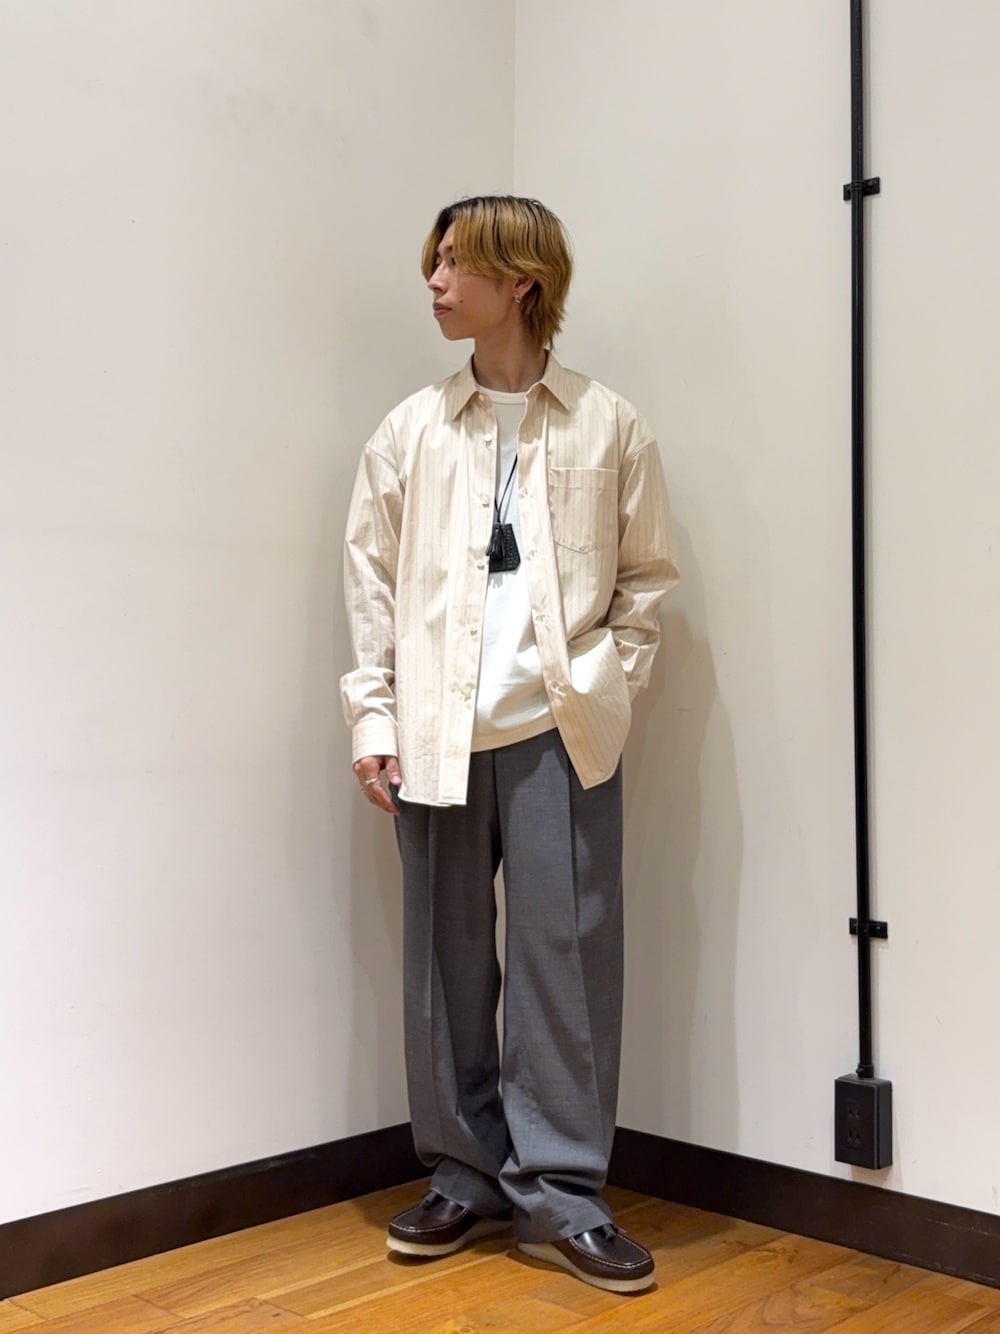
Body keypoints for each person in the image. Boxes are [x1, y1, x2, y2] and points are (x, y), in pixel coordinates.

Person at [341, 195, 678, 1295]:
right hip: (435, 734)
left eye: (454, 264)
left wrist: (607, 693)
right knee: (444, 966)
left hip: (558, 732)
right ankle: (463, 1172)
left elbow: (645, 583)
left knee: (565, 962)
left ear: (519, 279)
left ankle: (564, 1193)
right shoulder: (408, 432)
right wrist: (375, 717)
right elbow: (370, 586)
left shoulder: (608, 425)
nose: (434, 283)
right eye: (433, 263)